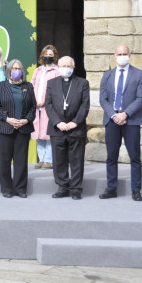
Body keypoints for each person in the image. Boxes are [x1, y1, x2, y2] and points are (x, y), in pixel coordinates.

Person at [99, 45, 142, 202]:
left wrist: (125, 113)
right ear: (114, 55)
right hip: (112, 120)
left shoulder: (139, 74)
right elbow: (103, 99)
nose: (122, 56)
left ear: (129, 55)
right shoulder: (107, 75)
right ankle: (111, 188)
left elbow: (140, 98)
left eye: (124, 54)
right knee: (111, 156)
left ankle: (136, 190)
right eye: (119, 54)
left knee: (135, 157)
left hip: (131, 120)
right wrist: (114, 115)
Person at [45, 56, 90, 200]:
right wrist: (58, 122)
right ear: (58, 67)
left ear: (73, 68)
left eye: (69, 66)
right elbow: (49, 104)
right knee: (59, 160)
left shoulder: (82, 83)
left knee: (76, 159)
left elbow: (85, 105)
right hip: (57, 128)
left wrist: (75, 122)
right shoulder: (52, 83)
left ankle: (76, 188)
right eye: (63, 65)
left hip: (76, 128)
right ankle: (62, 187)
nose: (66, 68)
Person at [0, 59, 36, 198]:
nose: (15, 71)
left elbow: (33, 107)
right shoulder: (0, 86)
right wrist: (8, 119)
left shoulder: (28, 86)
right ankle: (6, 188)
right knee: (4, 160)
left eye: (18, 68)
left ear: (22, 71)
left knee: (21, 160)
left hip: (23, 129)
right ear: (8, 71)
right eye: (13, 68)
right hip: (5, 128)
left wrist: (25, 120)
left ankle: (20, 188)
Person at [30, 45, 60, 170]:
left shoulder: (57, 70)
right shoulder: (38, 70)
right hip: (37, 107)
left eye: (50, 55)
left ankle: (49, 160)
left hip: (49, 106)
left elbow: (57, 89)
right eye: (46, 55)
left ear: (54, 57)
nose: (48, 57)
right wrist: (34, 100)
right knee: (38, 133)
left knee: (48, 134)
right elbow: (32, 86)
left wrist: (45, 101)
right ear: (42, 56)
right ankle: (41, 159)